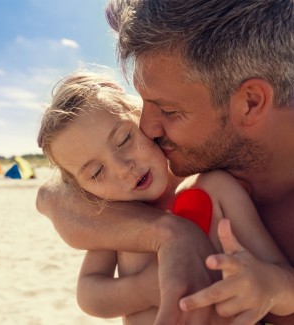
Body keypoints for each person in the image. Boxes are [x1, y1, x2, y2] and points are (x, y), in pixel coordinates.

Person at [36, 0, 294, 324]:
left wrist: (266, 286)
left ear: (251, 102)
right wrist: (160, 259)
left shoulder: (215, 188)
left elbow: (280, 284)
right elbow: (48, 198)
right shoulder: (117, 208)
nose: (148, 126)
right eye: (97, 171)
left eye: (168, 110)